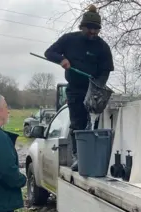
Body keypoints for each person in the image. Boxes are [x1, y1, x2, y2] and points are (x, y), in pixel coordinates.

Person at [44, 4, 114, 171]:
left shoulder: (102, 47)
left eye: (96, 29)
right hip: (75, 89)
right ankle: (78, 156)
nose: (92, 32)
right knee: (77, 123)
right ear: (82, 26)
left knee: (94, 125)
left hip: (94, 90)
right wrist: (61, 60)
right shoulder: (69, 39)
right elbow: (49, 53)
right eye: (89, 28)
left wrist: (98, 86)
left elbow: (106, 70)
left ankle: (94, 156)